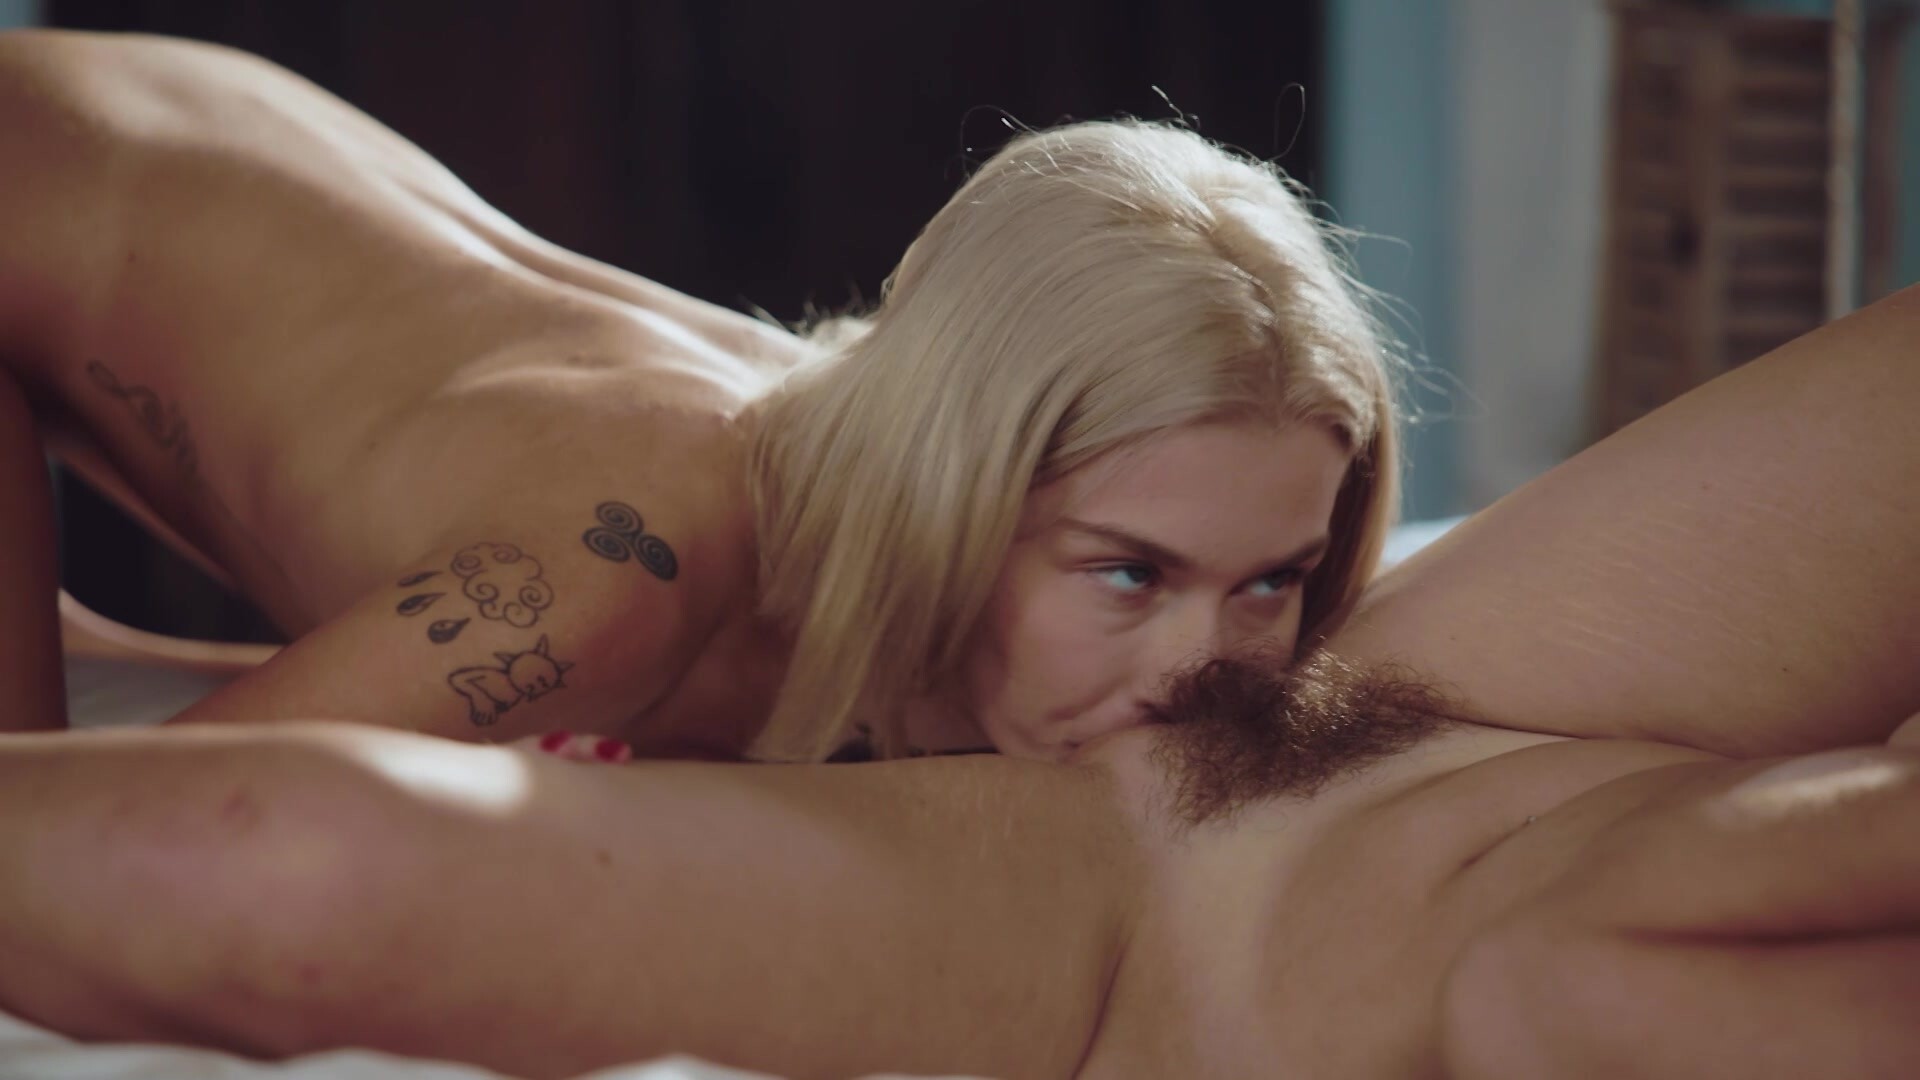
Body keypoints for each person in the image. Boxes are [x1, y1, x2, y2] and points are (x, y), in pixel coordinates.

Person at [0, 27, 1394, 764]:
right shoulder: (614, 580)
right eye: (1131, 575)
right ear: (956, 488)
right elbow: (102, 833)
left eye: (1271, 580)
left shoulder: (875, 465)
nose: (1203, 678)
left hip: (164, 149)